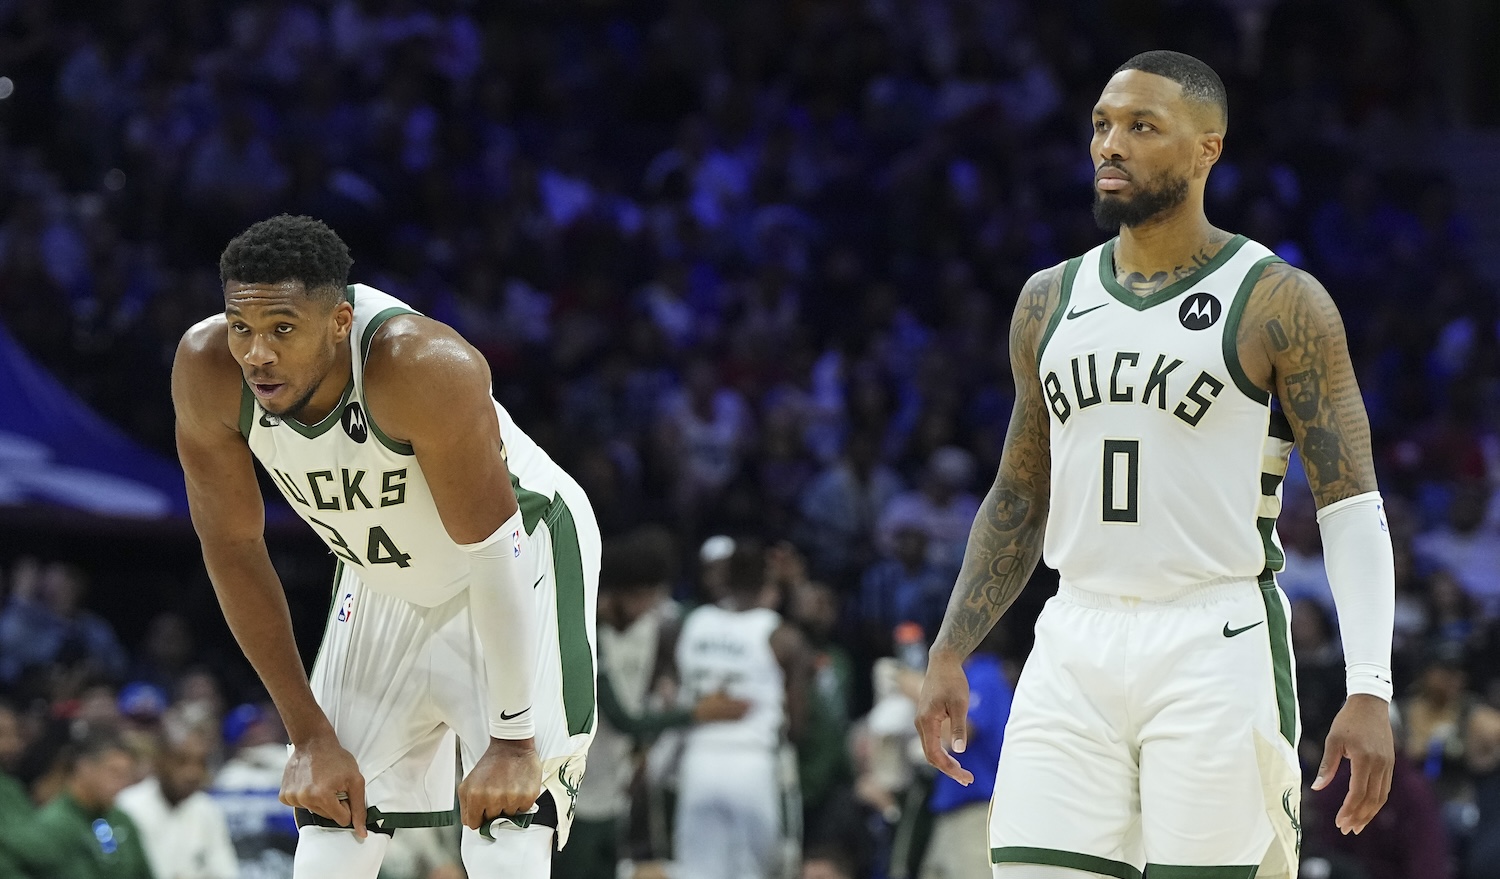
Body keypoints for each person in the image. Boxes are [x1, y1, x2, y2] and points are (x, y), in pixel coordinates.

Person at [915, 51, 1396, 879]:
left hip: (1214, 635)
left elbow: (1351, 503)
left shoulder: (1278, 300)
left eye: (1143, 127)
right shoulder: (1048, 300)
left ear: (1208, 148)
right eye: (1103, 125)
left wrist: (1370, 683)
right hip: (1073, 634)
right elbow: (1021, 492)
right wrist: (951, 646)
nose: (1112, 145)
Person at [171, 215, 601, 878]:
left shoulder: (420, 365)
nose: (256, 353)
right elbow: (232, 543)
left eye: (282, 329)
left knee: (508, 823)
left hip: (518, 555)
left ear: (340, 322)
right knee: (330, 812)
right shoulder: (207, 371)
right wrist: (309, 734)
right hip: (382, 575)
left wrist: (513, 738)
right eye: (242, 327)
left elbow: (493, 550)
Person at [673, 540, 811, 879]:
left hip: (699, 760)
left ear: (723, 580)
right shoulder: (780, 635)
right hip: (752, 760)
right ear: (768, 584)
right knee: (756, 870)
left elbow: (672, 688)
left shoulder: (693, 623)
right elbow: (798, 722)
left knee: (695, 870)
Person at [0, 726, 154, 879]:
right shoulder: (54, 824)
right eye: (114, 772)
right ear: (85, 767)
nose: (121, 783)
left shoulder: (122, 819)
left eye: (127, 775)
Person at [116, 723, 239, 879]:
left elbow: (225, 872)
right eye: (181, 761)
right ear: (159, 761)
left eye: (201, 763)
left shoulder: (207, 810)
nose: (193, 773)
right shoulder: (127, 807)